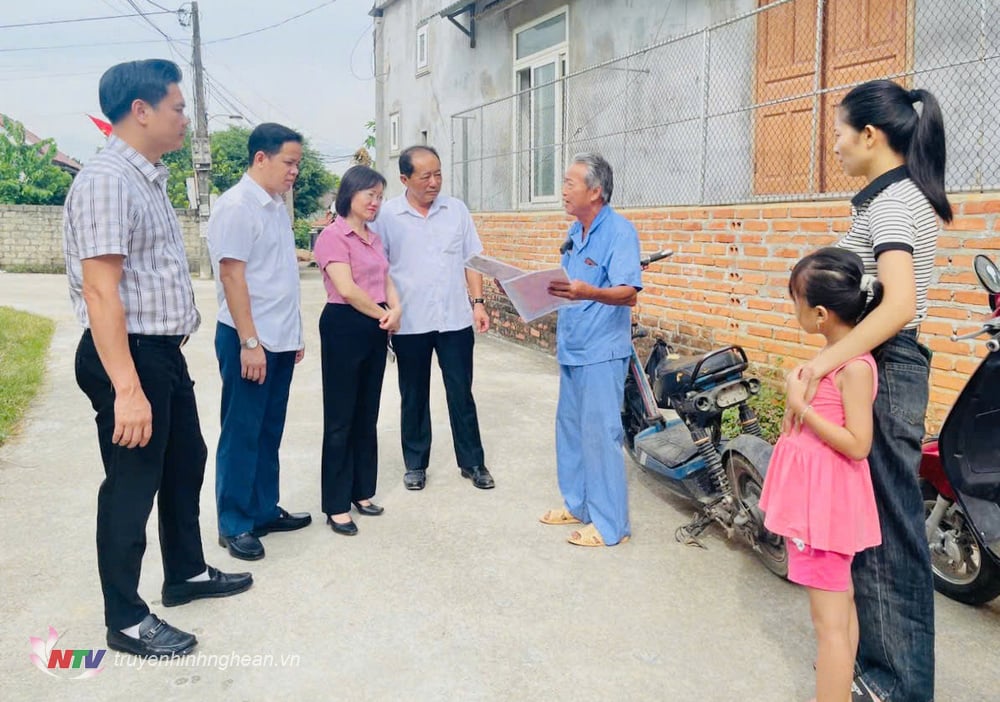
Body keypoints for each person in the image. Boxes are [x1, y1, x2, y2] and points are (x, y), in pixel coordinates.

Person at [63, 59, 251, 659]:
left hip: (159, 354)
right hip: (130, 359)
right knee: (131, 485)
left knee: (184, 461)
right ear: (140, 110)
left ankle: (185, 573)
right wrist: (126, 387)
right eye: (177, 107)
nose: (185, 119)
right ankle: (126, 616)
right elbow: (101, 290)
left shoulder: (148, 178)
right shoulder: (107, 180)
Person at [784, 79, 952, 702]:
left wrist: (826, 361)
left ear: (870, 135)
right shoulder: (889, 199)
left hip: (889, 364)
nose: (834, 145)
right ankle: (880, 674)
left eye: (838, 133)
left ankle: (897, 687)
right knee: (872, 530)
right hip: (879, 363)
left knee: (888, 537)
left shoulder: (892, 204)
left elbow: (900, 303)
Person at [760, 248, 883, 702]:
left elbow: (858, 443)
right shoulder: (836, 354)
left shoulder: (852, 366)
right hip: (821, 504)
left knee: (828, 626)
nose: (793, 311)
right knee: (840, 610)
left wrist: (801, 409)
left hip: (823, 510)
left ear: (819, 313)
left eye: (794, 302)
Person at [208, 123, 312, 561]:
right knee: (242, 430)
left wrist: (295, 335)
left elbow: (279, 276)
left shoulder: (273, 206)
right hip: (248, 338)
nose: (294, 173)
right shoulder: (236, 207)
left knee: (269, 431)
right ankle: (233, 523)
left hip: (279, 338)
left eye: (298, 165)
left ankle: (263, 509)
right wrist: (251, 342)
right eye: (289, 163)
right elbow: (232, 276)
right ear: (261, 159)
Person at [369, 145, 494, 491]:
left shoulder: (456, 211)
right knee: (413, 394)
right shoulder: (387, 216)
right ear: (404, 179)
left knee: (461, 392)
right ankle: (415, 463)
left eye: (438, 174)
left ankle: (472, 462)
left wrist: (478, 303)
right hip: (409, 322)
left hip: (454, 319)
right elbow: (379, 268)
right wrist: (386, 311)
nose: (434, 182)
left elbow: (472, 260)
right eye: (425, 176)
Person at [540, 153, 642, 547]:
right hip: (572, 345)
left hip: (601, 350)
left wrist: (589, 292)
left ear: (595, 191)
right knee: (570, 430)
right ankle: (578, 504)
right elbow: (568, 288)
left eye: (570, 183)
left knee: (601, 435)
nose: (563, 190)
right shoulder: (575, 231)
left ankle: (611, 525)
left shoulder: (619, 232)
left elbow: (629, 293)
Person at [314, 166, 400, 536]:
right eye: (370, 195)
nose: (376, 203)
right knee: (341, 417)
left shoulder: (374, 238)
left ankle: (362, 491)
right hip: (344, 325)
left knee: (367, 412)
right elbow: (347, 289)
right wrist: (384, 314)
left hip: (375, 325)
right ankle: (336, 504)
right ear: (350, 193)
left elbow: (385, 278)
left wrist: (395, 309)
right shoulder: (333, 237)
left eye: (380, 196)